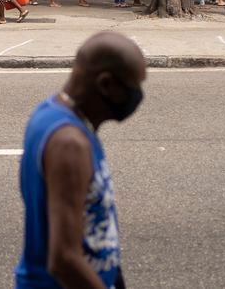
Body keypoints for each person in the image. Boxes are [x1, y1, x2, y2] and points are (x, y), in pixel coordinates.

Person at [15, 31, 146, 289]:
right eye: (133, 88)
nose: (137, 97)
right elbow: (64, 259)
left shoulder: (51, 111)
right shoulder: (69, 144)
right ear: (106, 84)